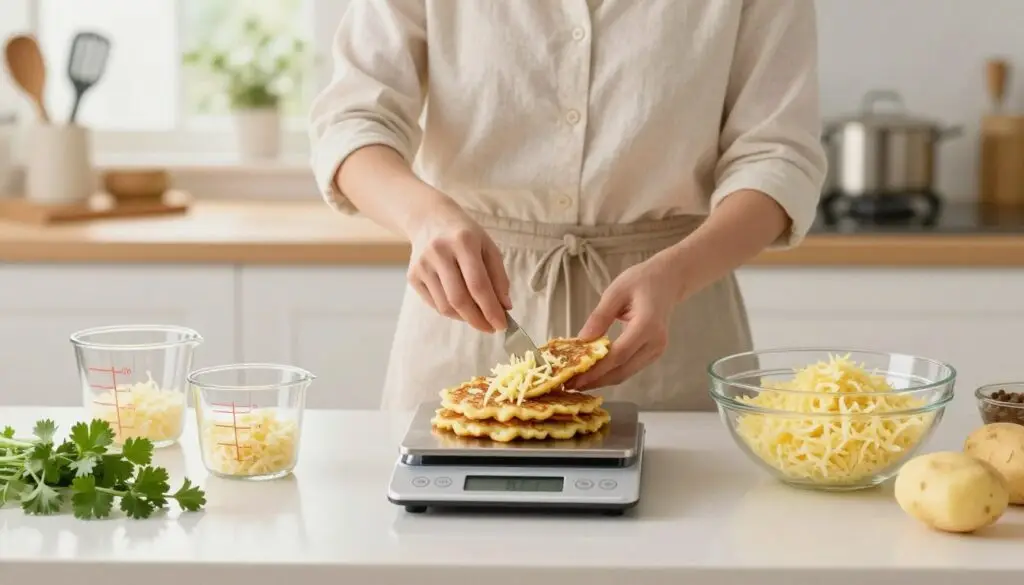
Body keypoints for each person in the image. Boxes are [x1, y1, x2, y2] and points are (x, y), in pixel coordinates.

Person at [309, 0, 827, 411]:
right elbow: (352, 121)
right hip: (467, 315)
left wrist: (678, 273)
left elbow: (777, 156)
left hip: (673, 323)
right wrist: (425, 218)